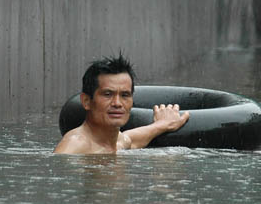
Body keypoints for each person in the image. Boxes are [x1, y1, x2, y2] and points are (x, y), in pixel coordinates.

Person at [53, 54, 190, 154]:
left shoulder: (117, 142)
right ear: (87, 102)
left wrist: (162, 124)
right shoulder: (74, 147)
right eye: (108, 94)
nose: (117, 103)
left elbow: (131, 138)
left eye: (125, 95)